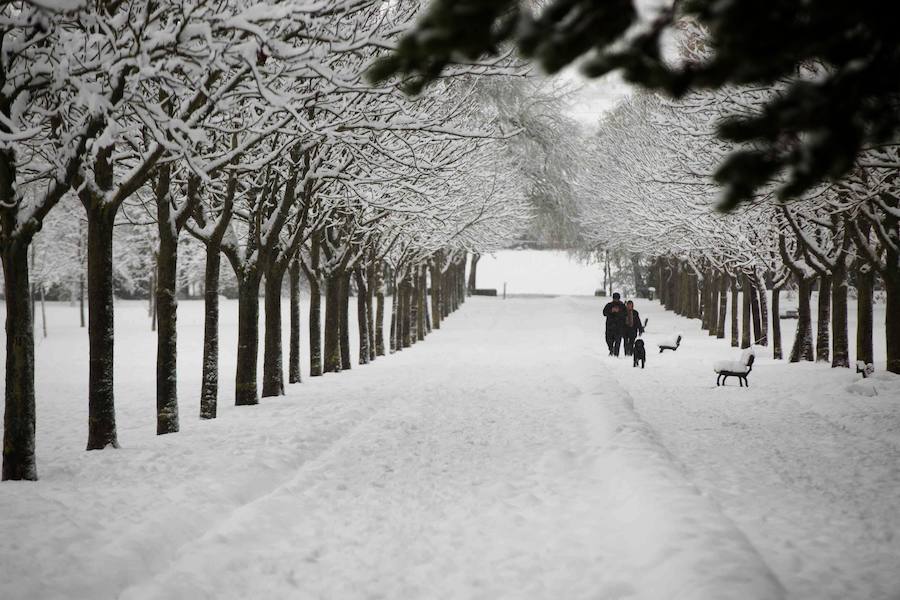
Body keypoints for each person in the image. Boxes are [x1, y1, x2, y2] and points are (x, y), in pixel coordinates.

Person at [602, 292, 627, 356]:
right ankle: (611, 349)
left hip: (619, 326)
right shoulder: (609, 305)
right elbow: (604, 313)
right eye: (614, 298)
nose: (615, 300)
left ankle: (616, 354)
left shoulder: (622, 306)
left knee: (618, 341)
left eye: (617, 299)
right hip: (610, 326)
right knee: (608, 340)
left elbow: (625, 314)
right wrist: (611, 311)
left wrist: (618, 312)